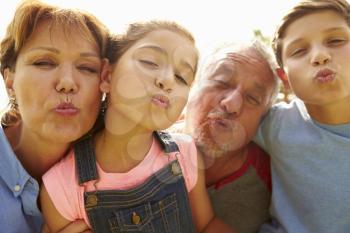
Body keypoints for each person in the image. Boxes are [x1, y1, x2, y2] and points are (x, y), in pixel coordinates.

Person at [40, 20, 235, 233]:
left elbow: (206, 225)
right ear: (107, 75)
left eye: (181, 77)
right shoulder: (61, 188)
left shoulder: (184, 153)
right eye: (150, 62)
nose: (168, 80)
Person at [0, 0, 109, 232]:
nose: (67, 83)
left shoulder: (120, 173)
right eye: (44, 62)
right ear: (9, 81)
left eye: (87, 68)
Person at [253, 0, 350, 232]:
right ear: (284, 78)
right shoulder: (273, 125)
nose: (320, 55)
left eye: (336, 40)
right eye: (299, 51)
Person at [169, 40, 279, 233]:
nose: (231, 104)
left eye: (252, 98)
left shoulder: (277, 182)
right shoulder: (144, 142)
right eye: (221, 83)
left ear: (263, 119)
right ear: (193, 85)